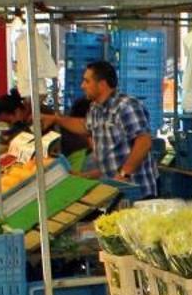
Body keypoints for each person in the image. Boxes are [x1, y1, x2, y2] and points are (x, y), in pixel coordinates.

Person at [39, 60, 158, 200]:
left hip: (137, 191)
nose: (82, 86)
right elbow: (84, 126)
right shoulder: (95, 108)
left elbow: (144, 142)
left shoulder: (126, 106)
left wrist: (124, 174)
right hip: (114, 192)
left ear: (102, 84)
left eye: (86, 81)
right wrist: (55, 119)